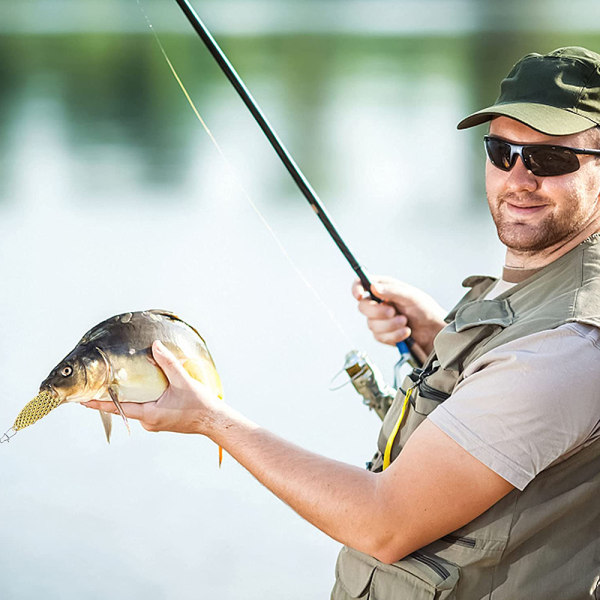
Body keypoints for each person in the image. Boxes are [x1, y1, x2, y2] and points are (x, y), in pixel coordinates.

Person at [84, 46, 600, 599]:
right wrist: (439, 343)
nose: (518, 178)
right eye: (502, 151)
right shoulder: (542, 295)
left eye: (550, 160)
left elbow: (385, 522)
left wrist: (212, 421)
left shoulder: (562, 350)